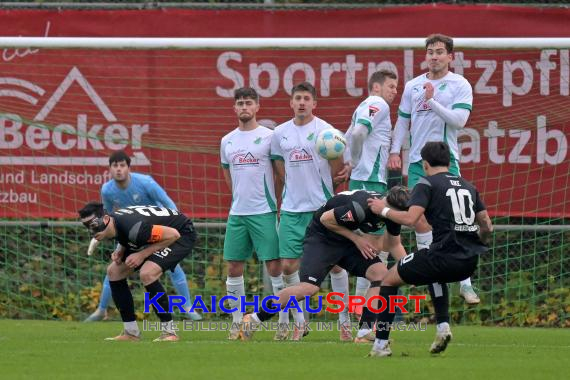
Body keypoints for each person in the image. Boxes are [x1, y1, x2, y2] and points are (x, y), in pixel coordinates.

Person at [368, 142, 493, 357]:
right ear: (449, 162)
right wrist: (475, 244)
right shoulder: (468, 186)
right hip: (468, 262)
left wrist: (384, 209)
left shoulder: (427, 183)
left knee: (388, 279)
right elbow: (487, 226)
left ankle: (380, 345)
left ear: (424, 164)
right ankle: (443, 328)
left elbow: (410, 219)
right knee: (435, 275)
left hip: (442, 256)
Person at [238, 186, 410, 341]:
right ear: (389, 204)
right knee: (309, 288)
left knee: (381, 275)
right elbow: (325, 219)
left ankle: (364, 333)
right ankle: (254, 318)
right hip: (322, 238)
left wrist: (409, 269)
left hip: (346, 240)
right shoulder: (360, 207)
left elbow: (394, 244)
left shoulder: (391, 215)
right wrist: (357, 239)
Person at [388, 34, 480, 304]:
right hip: (418, 162)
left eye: (440, 52)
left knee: (456, 219)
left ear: (451, 56)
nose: (434, 56)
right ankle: (431, 271)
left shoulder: (459, 84)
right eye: (430, 52)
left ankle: (465, 283)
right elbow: (403, 121)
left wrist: (433, 102)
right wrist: (395, 150)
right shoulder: (414, 85)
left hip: (445, 161)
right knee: (418, 218)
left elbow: (460, 121)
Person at [270, 82, 351, 341]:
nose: (302, 102)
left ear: (314, 103)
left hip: (321, 209)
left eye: (307, 98)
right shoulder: (279, 133)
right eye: (298, 98)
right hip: (292, 209)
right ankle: (300, 323)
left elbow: (338, 170)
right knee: (288, 266)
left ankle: (344, 323)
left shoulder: (327, 132)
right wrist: (292, 187)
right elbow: (279, 167)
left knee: (337, 266)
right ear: (291, 103)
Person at [84, 151, 201, 322]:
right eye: (115, 166)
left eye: (122, 165)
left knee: (166, 269)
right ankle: (103, 310)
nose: (118, 169)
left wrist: (161, 238)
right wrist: (121, 246)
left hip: (159, 231)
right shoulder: (107, 190)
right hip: (132, 233)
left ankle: (187, 308)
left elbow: (169, 204)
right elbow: (109, 218)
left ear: (129, 168)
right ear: (109, 169)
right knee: (114, 269)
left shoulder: (146, 182)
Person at [78, 201, 198, 341]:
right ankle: (131, 332)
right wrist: (120, 250)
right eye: (86, 227)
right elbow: (125, 235)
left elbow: (173, 235)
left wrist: (142, 254)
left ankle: (170, 332)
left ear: (105, 219)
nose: (90, 231)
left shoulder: (135, 228)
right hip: (160, 233)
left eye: (92, 225)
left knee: (147, 273)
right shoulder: (114, 222)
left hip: (181, 235)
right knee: (114, 272)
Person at [220, 87, 285, 340]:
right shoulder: (227, 140)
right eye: (240, 103)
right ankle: (238, 323)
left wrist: (271, 200)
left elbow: (279, 175)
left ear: (257, 107)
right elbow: (228, 176)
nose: (244, 107)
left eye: (248, 103)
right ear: (234, 108)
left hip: (264, 212)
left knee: (275, 267)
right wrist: (240, 198)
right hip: (238, 214)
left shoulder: (270, 137)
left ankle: (282, 322)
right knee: (234, 266)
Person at [344, 69, 398, 323]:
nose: (394, 92)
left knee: (367, 247)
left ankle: (360, 311)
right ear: (376, 87)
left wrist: (350, 162)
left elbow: (348, 137)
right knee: (373, 249)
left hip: (361, 181)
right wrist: (355, 161)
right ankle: (365, 314)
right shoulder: (377, 104)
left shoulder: (363, 107)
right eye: (391, 86)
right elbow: (357, 134)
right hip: (370, 183)